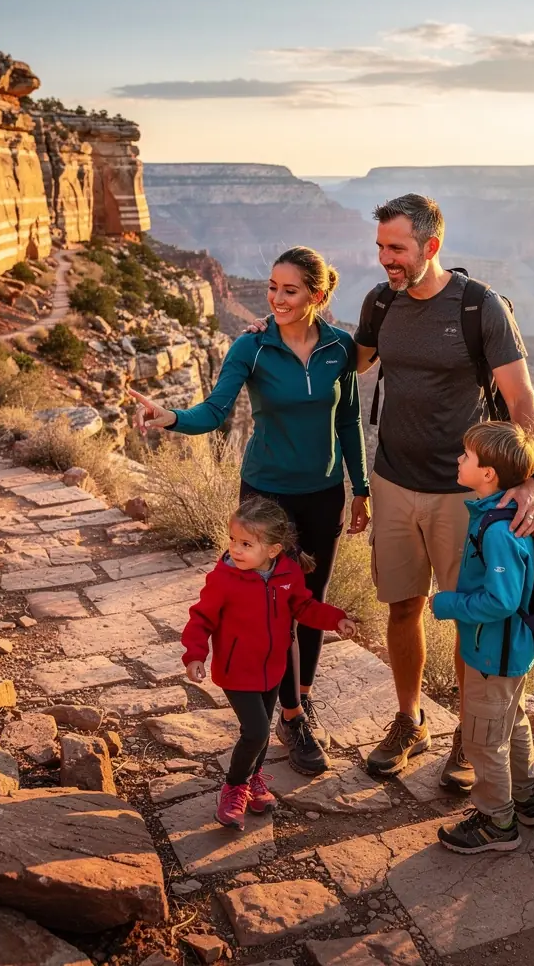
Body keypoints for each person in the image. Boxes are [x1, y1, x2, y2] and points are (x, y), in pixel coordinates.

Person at [130, 245, 369, 776]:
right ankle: (287, 712)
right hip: (266, 499)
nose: (277, 299)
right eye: (272, 288)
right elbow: (216, 411)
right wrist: (170, 417)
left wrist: (362, 488)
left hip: (324, 493)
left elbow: (349, 421)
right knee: (272, 605)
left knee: (308, 602)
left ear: (318, 295)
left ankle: (296, 707)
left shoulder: (338, 348)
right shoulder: (252, 347)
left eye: (290, 290)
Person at [354, 193, 534, 789]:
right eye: (381, 246)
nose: (385, 258)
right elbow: (345, 361)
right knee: (403, 606)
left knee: (470, 621)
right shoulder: (382, 301)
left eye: (397, 248)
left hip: (462, 495)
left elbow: (521, 402)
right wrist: (276, 327)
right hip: (391, 480)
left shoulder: (478, 307)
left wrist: (529, 481)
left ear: (430, 246)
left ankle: (466, 734)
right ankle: (410, 721)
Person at [182, 497, 357, 831]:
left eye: (246, 543)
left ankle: (252, 779)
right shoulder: (224, 579)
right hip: (236, 672)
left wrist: (337, 619)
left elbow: (304, 608)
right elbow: (200, 618)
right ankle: (234, 787)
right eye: (232, 540)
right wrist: (194, 655)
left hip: (272, 669)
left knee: (259, 733)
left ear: (274, 549)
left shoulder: (288, 574)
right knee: (257, 731)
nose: (235, 548)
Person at [430, 420, 534, 853]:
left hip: (492, 652)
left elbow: (500, 601)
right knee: (512, 721)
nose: (459, 459)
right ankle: (527, 801)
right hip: (515, 649)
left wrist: (447, 605)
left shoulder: (499, 529)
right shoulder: (512, 511)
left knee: (483, 738)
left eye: (466, 456)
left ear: (488, 475)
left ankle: (497, 822)